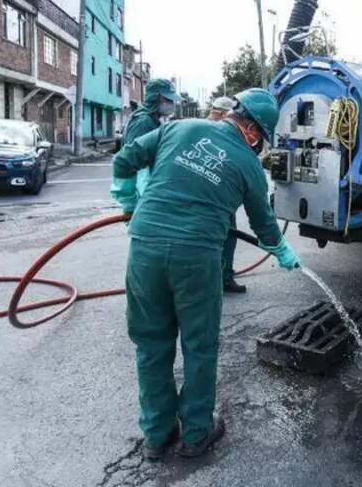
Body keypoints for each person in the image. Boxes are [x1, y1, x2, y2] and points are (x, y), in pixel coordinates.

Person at [111, 88, 300, 460]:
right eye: (260, 138)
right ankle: (196, 433)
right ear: (253, 131)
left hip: (145, 247)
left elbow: (124, 159)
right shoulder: (248, 164)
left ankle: (157, 434)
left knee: (151, 343)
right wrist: (282, 251)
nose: (258, 144)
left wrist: (129, 203)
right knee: (199, 345)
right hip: (196, 256)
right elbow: (264, 224)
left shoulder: (177, 128)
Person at [207, 97, 247, 294]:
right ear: (223, 114)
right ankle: (218, 279)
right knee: (219, 239)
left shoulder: (207, 130)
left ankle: (221, 278)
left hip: (217, 197)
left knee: (225, 238)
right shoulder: (215, 132)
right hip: (214, 198)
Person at [121, 78, 182, 197]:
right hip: (142, 189)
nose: (172, 104)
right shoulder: (142, 122)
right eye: (168, 99)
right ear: (157, 98)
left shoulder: (153, 121)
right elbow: (133, 158)